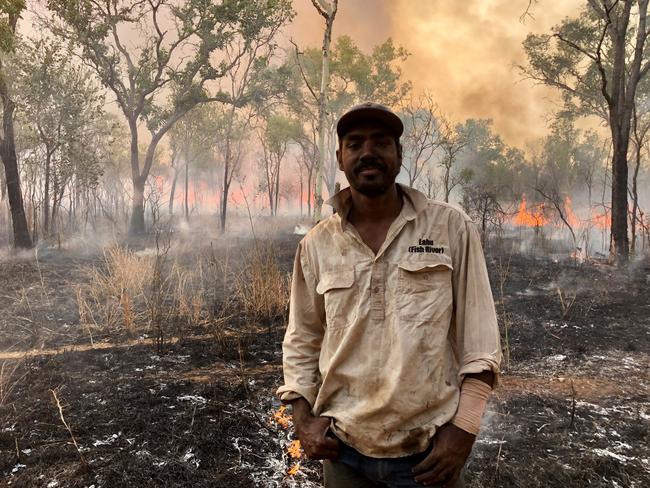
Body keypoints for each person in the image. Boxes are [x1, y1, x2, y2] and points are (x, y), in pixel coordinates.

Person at [277, 102, 502, 488]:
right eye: (355, 144)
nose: (368, 152)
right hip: (343, 451)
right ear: (340, 158)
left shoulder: (450, 228)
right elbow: (303, 339)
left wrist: (464, 430)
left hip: (429, 455)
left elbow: (480, 342)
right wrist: (303, 420)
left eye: (381, 143)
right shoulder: (318, 244)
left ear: (399, 155)